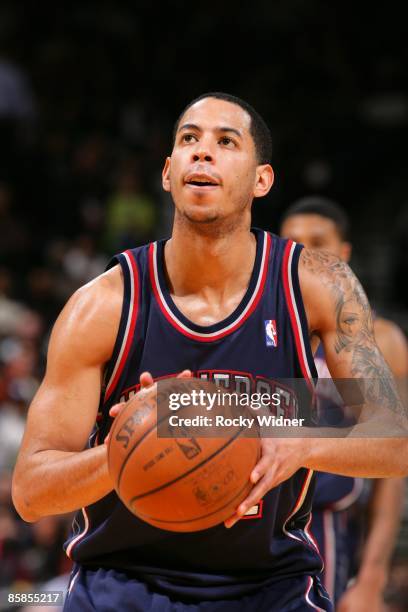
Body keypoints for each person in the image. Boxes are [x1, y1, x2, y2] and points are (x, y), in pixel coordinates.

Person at [11, 93, 408, 612]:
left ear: (262, 180)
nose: (203, 152)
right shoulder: (105, 306)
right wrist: (127, 450)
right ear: (167, 172)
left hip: (271, 588)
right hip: (124, 584)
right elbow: (30, 492)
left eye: (226, 142)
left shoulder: (315, 285)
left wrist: (300, 442)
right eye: (189, 139)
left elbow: (392, 438)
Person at [280, 196, 407, 611]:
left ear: (345, 253)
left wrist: (371, 577)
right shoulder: (259, 328)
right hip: (254, 523)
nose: (307, 254)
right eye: (294, 243)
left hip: (329, 530)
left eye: (319, 242)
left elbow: (393, 473)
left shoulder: (380, 339)